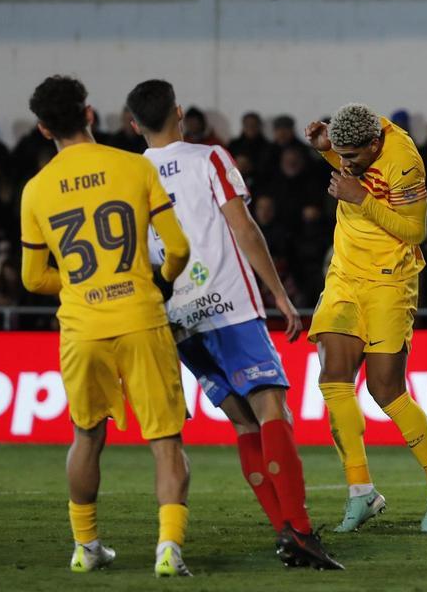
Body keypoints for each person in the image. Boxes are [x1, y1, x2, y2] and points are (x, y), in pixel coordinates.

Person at [126, 80, 341, 570]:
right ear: (179, 113)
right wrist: (281, 296)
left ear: (134, 125)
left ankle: (285, 530)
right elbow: (242, 225)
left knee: (243, 424)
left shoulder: (131, 171)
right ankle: (301, 532)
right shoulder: (210, 159)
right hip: (229, 306)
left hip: (176, 316)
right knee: (272, 414)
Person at [18, 75, 194, 575]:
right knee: (165, 442)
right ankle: (168, 549)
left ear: (42, 128)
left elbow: (33, 278)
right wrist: (158, 279)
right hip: (140, 316)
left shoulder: (36, 191)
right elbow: (178, 249)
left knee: (86, 436)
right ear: (89, 114)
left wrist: (80, 284)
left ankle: (86, 546)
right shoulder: (133, 166)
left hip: (82, 327)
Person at [304, 104, 427, 533]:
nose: (344, 164)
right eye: (340, 156)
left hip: (390, 279)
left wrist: (362, 200)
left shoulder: (404, 162)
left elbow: (414, 231)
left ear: (374, 145)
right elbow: (345, 162)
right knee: (333, 378)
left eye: (351, 157)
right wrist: (325, 151)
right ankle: (361, 491)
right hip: (345, 274)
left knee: (385, 389)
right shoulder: (355, 143)